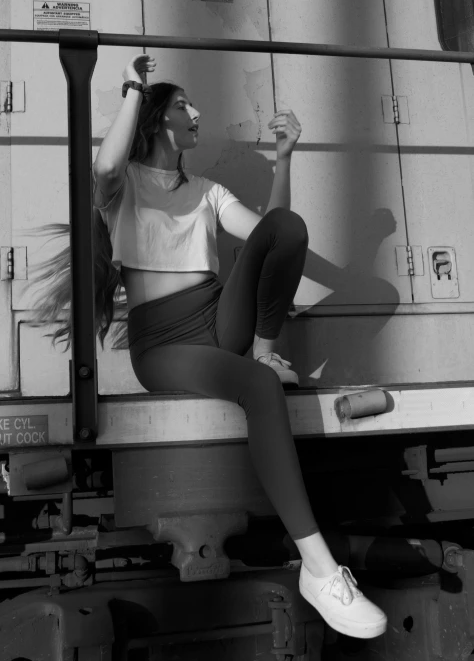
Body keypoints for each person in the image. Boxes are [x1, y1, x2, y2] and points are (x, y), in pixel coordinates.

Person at [29, 53, 387, 640]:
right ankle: (320, 572)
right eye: (182, 105)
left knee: (288, 227)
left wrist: (284, 159)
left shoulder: (208, 192)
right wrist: (129, 89)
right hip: (163, 341)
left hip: (218, 319)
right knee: (259, 385)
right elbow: (105, 164)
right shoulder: (120, 192)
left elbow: (275, 237)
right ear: (156, 120)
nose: (197, 113)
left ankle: (266, 349)